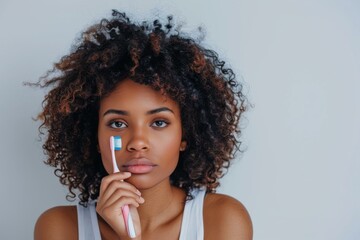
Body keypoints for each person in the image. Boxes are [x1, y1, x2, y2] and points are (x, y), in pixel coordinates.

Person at [33, 10, 252, 240]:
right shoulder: (60, 228)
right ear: (94, 137)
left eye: (158, 122)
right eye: (117, 123)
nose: (137, 142)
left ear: (185, 136)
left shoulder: (222, 220)